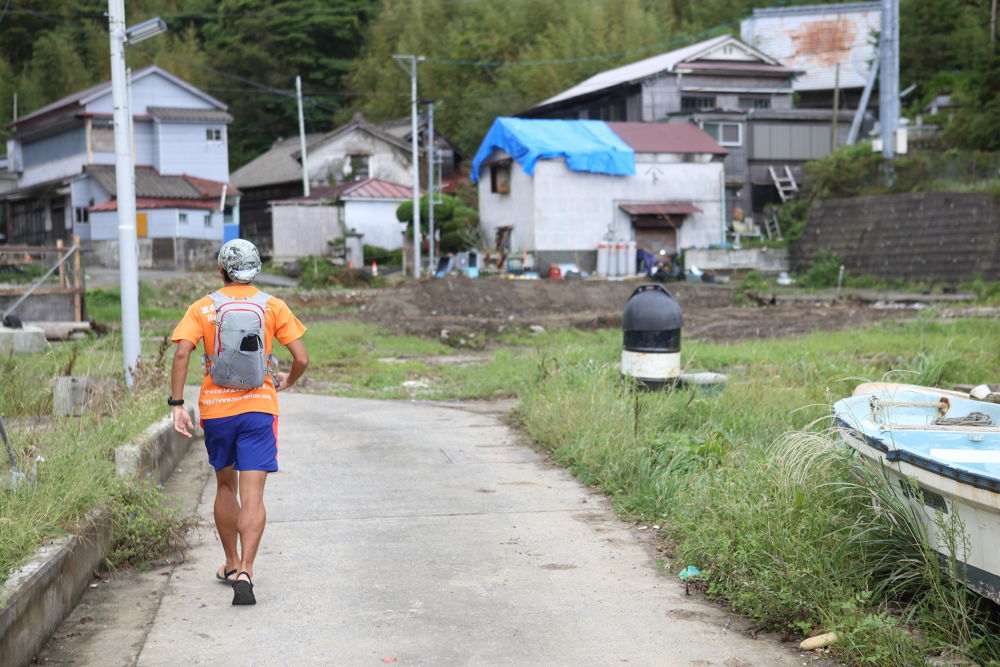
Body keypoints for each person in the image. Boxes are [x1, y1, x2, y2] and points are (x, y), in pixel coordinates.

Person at [169, 238, 309, 606]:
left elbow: (182, 353)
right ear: (256, 269)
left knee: (225, 485)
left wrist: (177, 404)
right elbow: (302, 358)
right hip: (259, 409)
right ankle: (246, 570)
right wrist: (287, 380)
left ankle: (230, 563)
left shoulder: (203, 307)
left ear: (220, 269)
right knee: (254, 495)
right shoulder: (273, 306)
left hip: (217, 411)